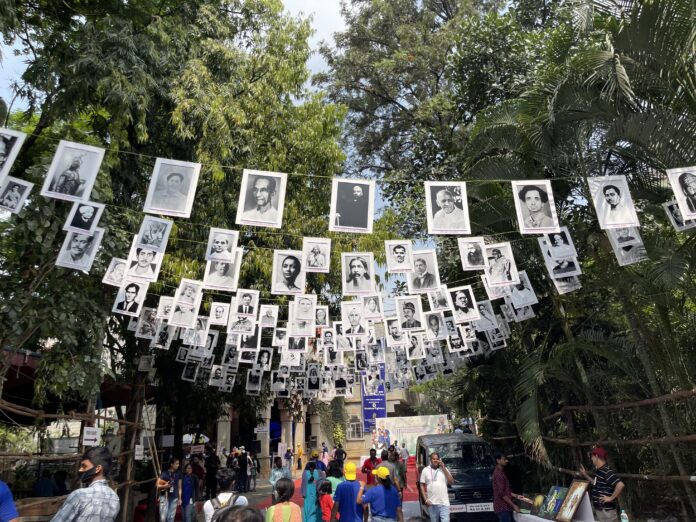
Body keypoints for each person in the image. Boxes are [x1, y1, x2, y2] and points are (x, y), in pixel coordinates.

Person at [52, 446, 120, 522]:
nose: (80, 469)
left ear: (98, 469)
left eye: (84, 466)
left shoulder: (79, 495)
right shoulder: (114, 498)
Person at [578, 447, 625, 522]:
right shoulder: (599, 471)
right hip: (600, 510)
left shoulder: (607, 471)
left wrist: (610, 498)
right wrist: (585, 475)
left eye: (592, 457)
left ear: (596, 456)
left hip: (607, 511)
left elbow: (620, 485)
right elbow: (595, 483)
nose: (591, 459)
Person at [419, 452, 454, 522]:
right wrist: (425, 499)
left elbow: (451, 481)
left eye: (437, 459)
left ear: (439, 460)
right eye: (433, 459)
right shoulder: (425, 470)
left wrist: (443, 468)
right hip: (432, 503)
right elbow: (421, 485)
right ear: (430, 460)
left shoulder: (444, 469)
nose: (435, 460)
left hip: (444, 503)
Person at [492, 452, 519, 522]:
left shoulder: (501, 472)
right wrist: (513, 505)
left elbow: (505, 490)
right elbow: (502, 493)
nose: (507, 461)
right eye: (504, 459)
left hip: (505, 508)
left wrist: (516, 495)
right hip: (502, 508)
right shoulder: (498, 474)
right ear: (498, 460)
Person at [157, 458, 182, 522]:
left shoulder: (179, 473)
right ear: (171, 464)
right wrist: (165, 486)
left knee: (170, 518)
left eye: (178, 464)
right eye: (176, 464)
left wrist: (180, 498)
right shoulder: (164, 473)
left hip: (174, 497)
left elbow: (180, 487)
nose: (178, 465)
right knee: (163, 518)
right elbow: (157, 485)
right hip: (164, 497)